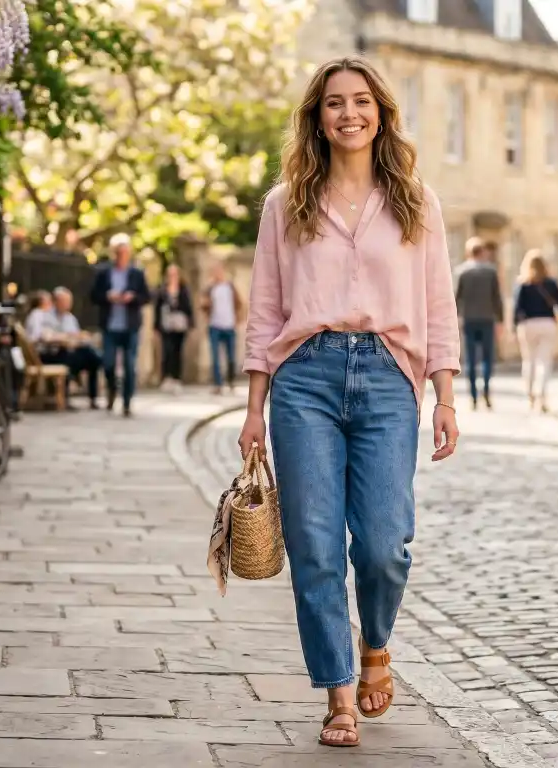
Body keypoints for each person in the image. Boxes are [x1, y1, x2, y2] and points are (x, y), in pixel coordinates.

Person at [236, 55, 460, 749]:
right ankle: (337, 695)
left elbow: (437, 304)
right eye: (334, 103)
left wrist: (446, 392)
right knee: (315, 544)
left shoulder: (416, 201)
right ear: (317, 117)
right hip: (304, 378)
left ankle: (377, 644)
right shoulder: (286, 204)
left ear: (381, 113)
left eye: (361, 101)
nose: (349, 113)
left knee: (386, 543)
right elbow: (266, 309)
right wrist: (253, 406)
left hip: (391, 378)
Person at [90, 233, 152, 416]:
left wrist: (132, 297)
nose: (121, 256)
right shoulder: (104, 273)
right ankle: (111, 391)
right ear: (114, 253)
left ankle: (126, 402)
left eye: (125, 252)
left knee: (129, 365)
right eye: (118, 252)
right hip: (110, 326)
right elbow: (93, 296)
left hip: (130, 326)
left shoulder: (136, 274)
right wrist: (108, 296)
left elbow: (147, 296)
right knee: (108, 363)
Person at [24, 288, 103, 409]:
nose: (68, 304)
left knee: (91, 356)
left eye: (69, 301)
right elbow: (44, 337)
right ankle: (64, 396)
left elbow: (76, 335)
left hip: (69, 350)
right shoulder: (44, 315)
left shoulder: (70, 318)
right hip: (49, 353)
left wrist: (78, 338)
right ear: (56, 301)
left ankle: (93, 397)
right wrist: (65, 337)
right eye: (64, 301)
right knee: (72, 357)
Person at [511, 250, 558, 414]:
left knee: (529, 361)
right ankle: (541, 395)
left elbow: (517, 308)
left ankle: (530, 395)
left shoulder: (522, 284)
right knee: (544, 362)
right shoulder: (551, 283)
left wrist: (515, 327)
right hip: (547, 323)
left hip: (528, 325)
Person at [454, 236, 503, 410]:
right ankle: (487, 390)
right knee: (488, 358)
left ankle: (473, 396)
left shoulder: (462, 272)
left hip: (469, 319)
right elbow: (497, 298)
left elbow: (456, 298)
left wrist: (455, 318)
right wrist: (500, 320)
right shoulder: (491, 272)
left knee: (471, 359)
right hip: (487, 319)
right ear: (482, 251)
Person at [202, 261, 244, 395]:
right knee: (215, 356)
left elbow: (240, 304)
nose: (217, 274)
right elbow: (202, 305)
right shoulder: (209, 288)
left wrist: (238, 320)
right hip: (215, 326)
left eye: (219, 271)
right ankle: (218, 384)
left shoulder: (230, 287)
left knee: (231, 357)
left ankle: (231, 381)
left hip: (229, 326)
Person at [153, 264, 194, 394]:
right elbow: (157, 308)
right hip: (166, 324)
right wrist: (156, 326)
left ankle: (177, 378)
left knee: (177, 352)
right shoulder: (162, 289)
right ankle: (166, 377)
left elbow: (188, 307)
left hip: (179, 325)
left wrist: (191, 324)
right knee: (167, 351)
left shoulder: (183, 289)